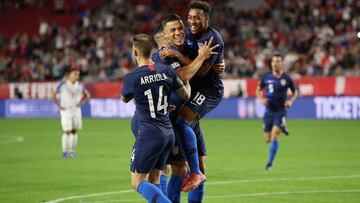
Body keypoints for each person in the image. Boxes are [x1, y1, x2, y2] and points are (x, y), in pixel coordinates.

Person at [121, 33, 216, 203]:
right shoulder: (166, 71)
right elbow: (185, 95)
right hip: (168, 132)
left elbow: (125, 98)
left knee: (137, 182)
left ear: (135, 52)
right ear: (153, 51)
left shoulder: (132, 78)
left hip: (148, 133)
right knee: (155, 177)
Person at [172, 0, 225, 196]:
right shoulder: (185, 34)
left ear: (206, 19)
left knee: (182, 119)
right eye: (190, 17)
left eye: (197, 18)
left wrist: (178, 55)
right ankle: (197, 170)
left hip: (209, 91)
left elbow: (202, 71)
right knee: (201, 158)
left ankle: (194, 173)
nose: (192, 21)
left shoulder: (213, 38)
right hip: (192, 91)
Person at [255, 53, 298, 170]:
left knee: (274, 136)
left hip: (280, 110)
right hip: (269, 110)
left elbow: (295, 92)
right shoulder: (266, 77)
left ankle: (269, 164)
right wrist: (261, 99)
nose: (275, 63)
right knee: (267, 139)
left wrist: (290, 102)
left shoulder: (287, 78)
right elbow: (258, 89)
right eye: (273, 61)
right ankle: (282, 126)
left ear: (282, 63)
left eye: (278, 61)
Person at [51, 66, 91, 158]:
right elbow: (53, 95)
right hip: (66, 111)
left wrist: (80, 104)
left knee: (74, 131)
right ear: (69, 75)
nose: (77, 76)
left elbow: (88, 96)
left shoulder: (79, 86)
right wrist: (60, 106)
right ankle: (64, 152)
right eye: (75, 74)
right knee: (67, 131)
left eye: (78, 74)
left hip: (76, 111)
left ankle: (72, 152)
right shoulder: (63, 85)